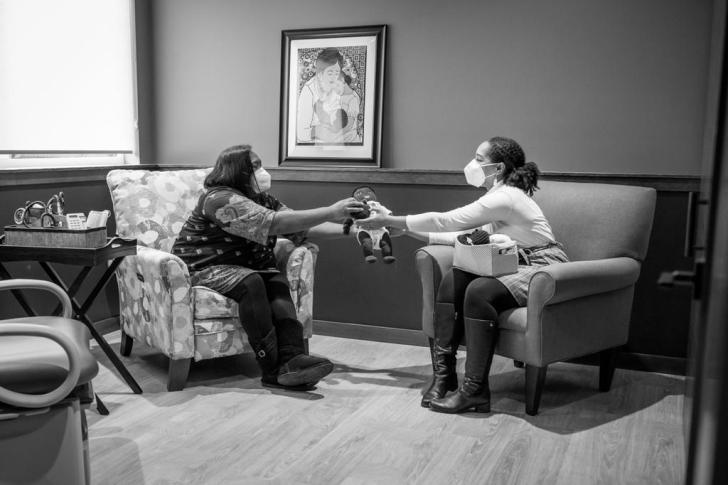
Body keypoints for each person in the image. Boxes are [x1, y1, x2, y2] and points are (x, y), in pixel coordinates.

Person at [356, 136, 569, 413]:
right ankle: (444, 377)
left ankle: (474, 391)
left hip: (542, 266)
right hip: (514, 261)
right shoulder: (496, 197)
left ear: (499, 168)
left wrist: (390, 220)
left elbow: (447, 220)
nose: (472, 164)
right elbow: (460, 235)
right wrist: (406, 229)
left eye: (479, 159)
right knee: (453, 280)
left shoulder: (506, 197)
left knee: (480, 292)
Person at [172, 144, 367, 390]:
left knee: (275, 281)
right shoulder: (218, 199)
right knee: (251, 282)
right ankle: (273, 369)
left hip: (246, 266)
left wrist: (356, 231)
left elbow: (298, 227)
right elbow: (272, 223)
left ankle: (293, 358)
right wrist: (330, 211)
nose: (263, 171)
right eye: (255, 166)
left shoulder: (262, 198)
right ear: (237, 171)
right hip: (204, 267)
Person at [296, 48, 344, 143]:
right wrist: (319, 131)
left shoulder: (338, 88)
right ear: (320, 73)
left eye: (337, 73)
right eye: (330, 73)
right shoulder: (309, 90)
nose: (334, 77)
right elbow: (301, 133)